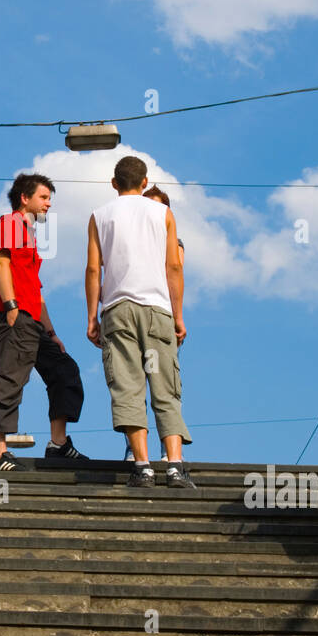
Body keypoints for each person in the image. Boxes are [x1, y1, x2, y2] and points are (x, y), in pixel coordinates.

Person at [86, 156, 194, 489]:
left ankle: (143, 467)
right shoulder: (163, 213)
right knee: (165, 386)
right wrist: (178, 315)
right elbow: (174, 267)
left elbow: (93, 269)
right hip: (157, 309)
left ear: (114, 183)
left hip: (117, 309)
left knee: (127, 385)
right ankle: (175, 467)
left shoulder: (99, 216)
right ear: (144, 182)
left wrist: (92, 316)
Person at [0, 173, 87, 470]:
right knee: (7, 380)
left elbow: (36, 289)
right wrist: (11, 306)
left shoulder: (29, 233)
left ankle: (58, 444)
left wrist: (51, 332)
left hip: (32, 320)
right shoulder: (9, 223)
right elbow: (0, 263)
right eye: (43, 197)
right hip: (12, 316)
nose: (48, 204)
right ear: (24, 198)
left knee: (64, 370)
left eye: (50, 199)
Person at [125, 186, 192, 461]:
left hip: (160, 314)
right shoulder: (130, 238)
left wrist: (178, 317)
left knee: (164, 385)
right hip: (135, 311)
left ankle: (169, 449)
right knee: (132, 383)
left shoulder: (173, 241)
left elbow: (176, 270)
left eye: (158, 206)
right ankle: (135, 448)